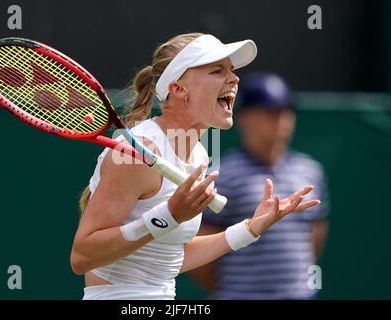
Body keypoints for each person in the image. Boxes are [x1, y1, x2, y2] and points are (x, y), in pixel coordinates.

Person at [69, 33, 321, 300]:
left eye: (232, 71)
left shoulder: (199, 155)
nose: (234, 79)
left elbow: (171, 259)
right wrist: (169, 215)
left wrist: (249, 228)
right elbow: (82, 257)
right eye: (217, 70)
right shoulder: (137, 152)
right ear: (179, 88)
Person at [191, 72, 330, 300]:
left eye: (286, 112)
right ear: (245, 118)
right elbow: (201, 251)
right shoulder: (223, 175)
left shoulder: (311, 170)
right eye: (270, 113)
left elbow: (315, 235)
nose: (281, 122)